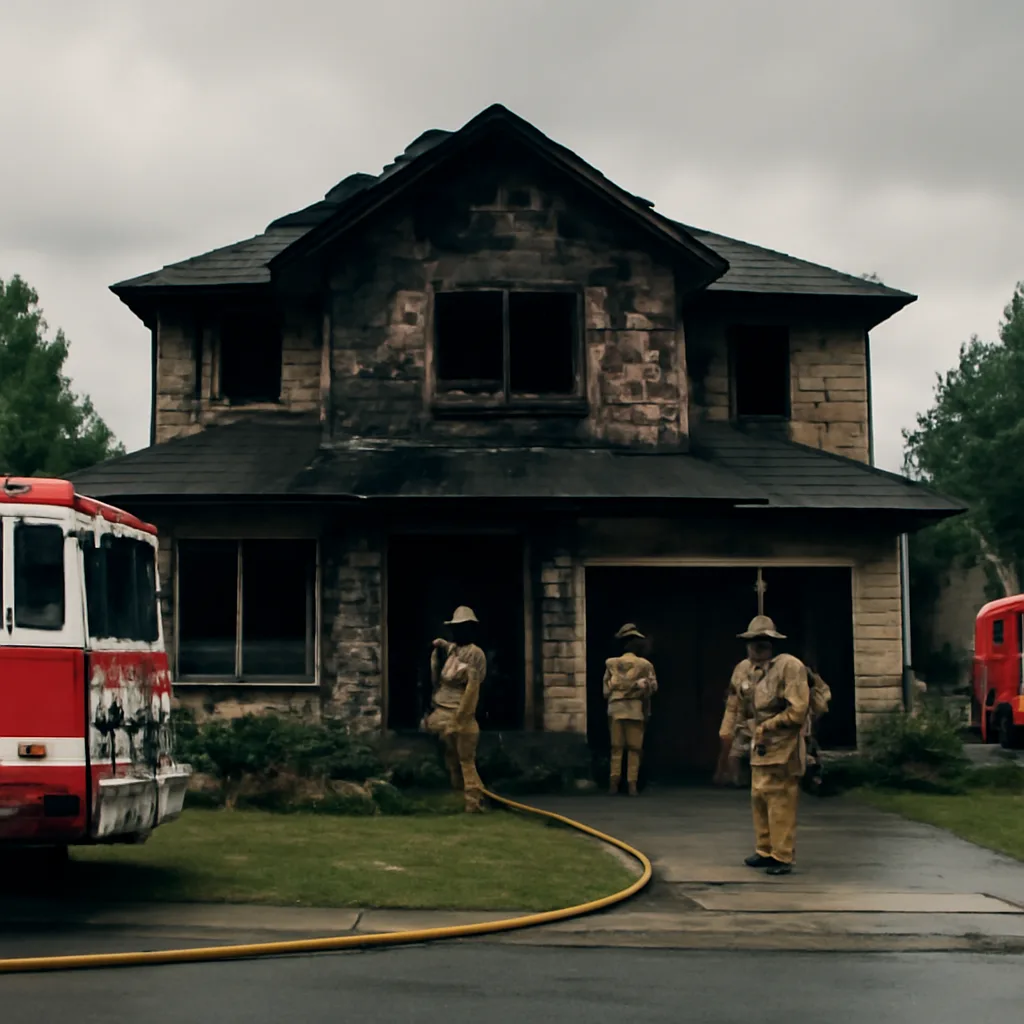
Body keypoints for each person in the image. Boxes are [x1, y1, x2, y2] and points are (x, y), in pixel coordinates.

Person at [719, 615, 809, 875]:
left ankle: (782, 855)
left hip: (783, 742)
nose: (757, 648)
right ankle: (764, 849)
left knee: (780, 798)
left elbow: (798, 709)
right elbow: (734, 705)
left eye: (763, 643)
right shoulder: (742, 669)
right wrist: (727, 739)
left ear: (773, 644)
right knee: (758, 795)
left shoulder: (788, 667)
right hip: (757, 743)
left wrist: (770, 726)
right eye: (753, 642)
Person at [423, 605, 486, 813]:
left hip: (460, 714)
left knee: (466, 760)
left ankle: (474, 800)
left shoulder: (475, 655)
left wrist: (460, 720)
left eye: (462, 628)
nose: (458, 633)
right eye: (455, 628)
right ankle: (458, 796)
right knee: (451, 756)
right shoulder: (455, 650)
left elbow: (472, 691)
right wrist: (440, 644)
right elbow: (449, 647)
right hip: (442, 710)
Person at [604, 623, 658, 796]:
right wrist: (637, 686)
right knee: (634, 749)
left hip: (615, 707)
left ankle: (614, 783)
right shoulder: (645, 665)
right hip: (635, 709)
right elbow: (653, 687)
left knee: (616, 748)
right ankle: (632, 784)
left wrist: (619, 688)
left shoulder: (611, 664)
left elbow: (605, 691)